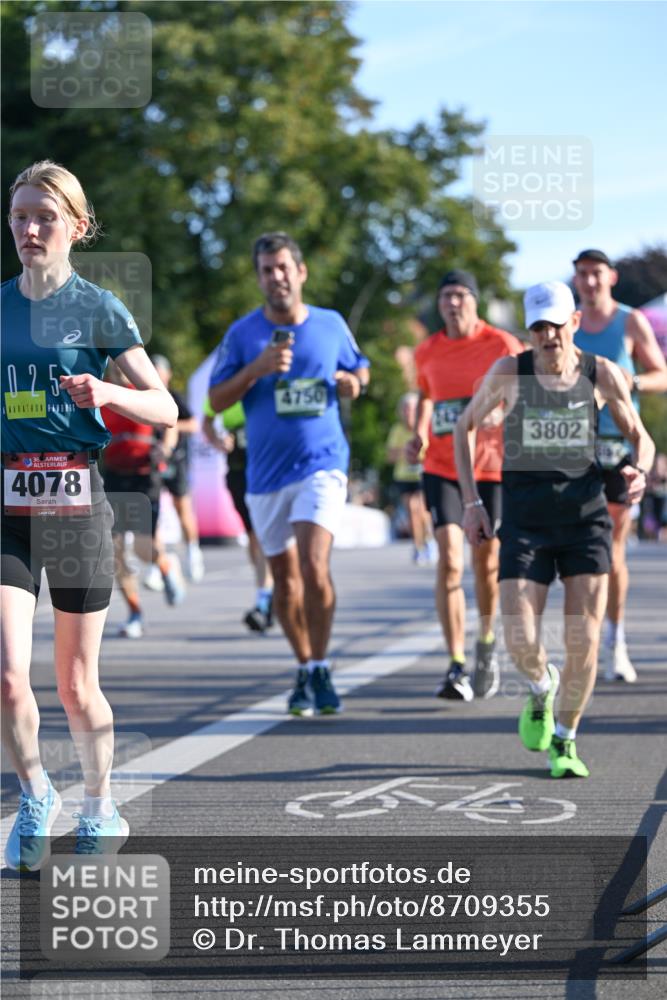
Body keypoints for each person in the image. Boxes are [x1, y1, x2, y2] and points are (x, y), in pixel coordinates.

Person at [1, 161, 177, 869]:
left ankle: (101, 803)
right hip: (7, 505)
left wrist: (106, 390)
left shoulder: (100, 310)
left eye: (44, 216)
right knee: (9, 677)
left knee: (76, 687)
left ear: (76, 227)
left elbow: (165, 407)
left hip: (76, 505)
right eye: (18, 217)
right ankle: (36, 792)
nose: (29, 229)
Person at [454, 281, 654, 778]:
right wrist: (473, 503)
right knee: (520, 638)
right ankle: (542, 686)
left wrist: (638, 471)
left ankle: (564, 740)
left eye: (556, 325)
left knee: (584, 640)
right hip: (525, 522)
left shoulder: (600, 373)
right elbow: (463, 428)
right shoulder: (509, 373)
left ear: (575, 324)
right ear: (530, 331)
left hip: (586, 520)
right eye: (539, 326)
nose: (548, 336)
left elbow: (640, 437)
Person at [208, 232, 369, 716]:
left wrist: (353, 383)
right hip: (265, 476)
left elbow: (360, 367)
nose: (275, 277)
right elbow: (216, 401)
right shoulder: (242, 335)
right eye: (266, 270)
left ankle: (320, 663)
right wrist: (255, 369)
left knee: (314, 566)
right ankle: (306, 666)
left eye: (282, 267)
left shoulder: (330, 324)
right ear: (259, 278)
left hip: (322, 464)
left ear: (300, 272)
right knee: (284, 581)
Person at [407, 270, 523, 701]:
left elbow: (527, 395)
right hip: (440, 465)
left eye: (459, 295)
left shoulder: (501, 345)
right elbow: (424, 396)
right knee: (449, 561)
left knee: (485, 563)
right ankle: (456, 663)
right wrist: (418, 433)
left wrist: (501, 413)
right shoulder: (427, 351)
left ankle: (486, 642)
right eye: (445, 297)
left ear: (475, 301)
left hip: (490, 468)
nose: (452, 304)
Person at [572, 249, 667, 682]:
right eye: (582, 275)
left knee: (612, 549)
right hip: (572, 446)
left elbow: (661, 373)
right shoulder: (566, 323)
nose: (590, 282)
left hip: (619, 444)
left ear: (610, 276)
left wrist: (632, 381)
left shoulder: (629, 321)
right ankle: (581, 643)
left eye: (596, 274)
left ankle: (617, 643)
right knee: (573, 548)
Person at [101, 360, 186, 639]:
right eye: (113, 363)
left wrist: (167, 448)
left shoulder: (144, 391)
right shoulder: (101, 392)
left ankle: (164, 565)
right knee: (114, 552)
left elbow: (170, 419)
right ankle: (135, 612)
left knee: (141, 547)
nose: (119, 368)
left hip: (144, 475)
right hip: (114, 475)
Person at [201, 397, 274, 632]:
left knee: (264, 537)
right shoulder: (225, 385)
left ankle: (265, 599)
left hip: (267, 471)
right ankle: (267, 591)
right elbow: (207, 422)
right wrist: (219, 440)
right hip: (238, 473)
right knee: (254, 538)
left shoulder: (264, 381)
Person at [148, 354, 205, 584]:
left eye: (160, 372)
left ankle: (193, 550)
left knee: (183, 508)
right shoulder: (143, 397)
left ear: (168, 374)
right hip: (151, 462)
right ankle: (158, 564)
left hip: (176, 460)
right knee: (153, 514)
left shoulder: (173, 398)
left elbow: (193, 423)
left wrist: (169, 421)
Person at [385, 392, 436, 565]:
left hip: (422, 475)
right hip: (404, 476)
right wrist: (406, 451)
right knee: (412, 511)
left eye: (412, 409)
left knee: (422, 510)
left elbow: (433, 451)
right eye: (405, 409)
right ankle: (418, 547)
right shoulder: (398, 430)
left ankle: (429, 540)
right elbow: (390, 456)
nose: (408, 413)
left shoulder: (425, 427)